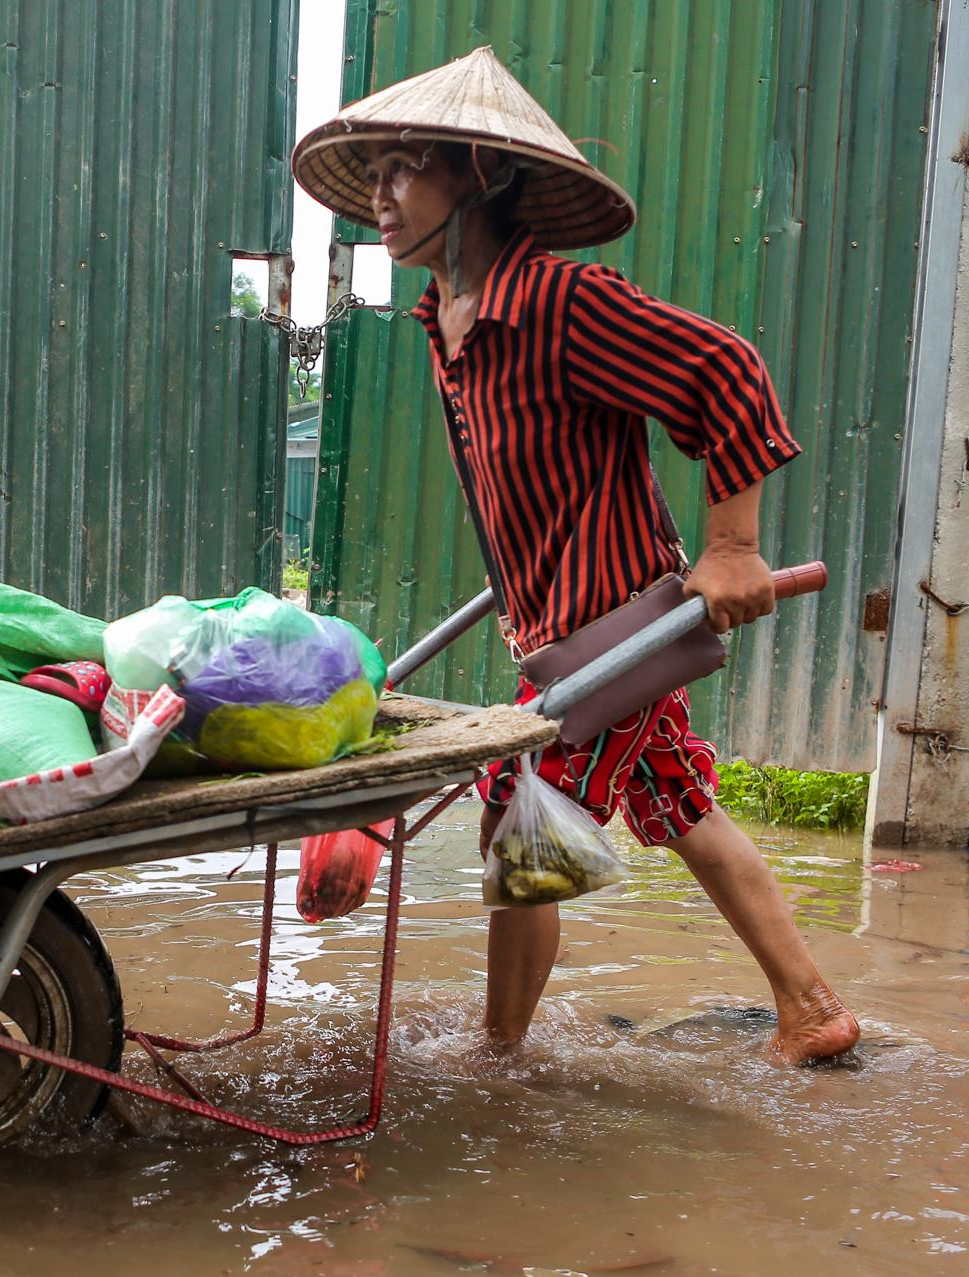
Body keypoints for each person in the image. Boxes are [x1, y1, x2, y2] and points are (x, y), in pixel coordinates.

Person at [291, 48, 859, 1065]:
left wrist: (731, 549)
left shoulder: (557, 303)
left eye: (401, 168)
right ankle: (807, 1010)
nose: (377, 195)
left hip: (625, 624)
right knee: (677, 802)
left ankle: (496, 1059)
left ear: (477, 173)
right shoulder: (444, 324)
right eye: (369, 173)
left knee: (522, 816)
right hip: (558, 631)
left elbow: (723, 372)